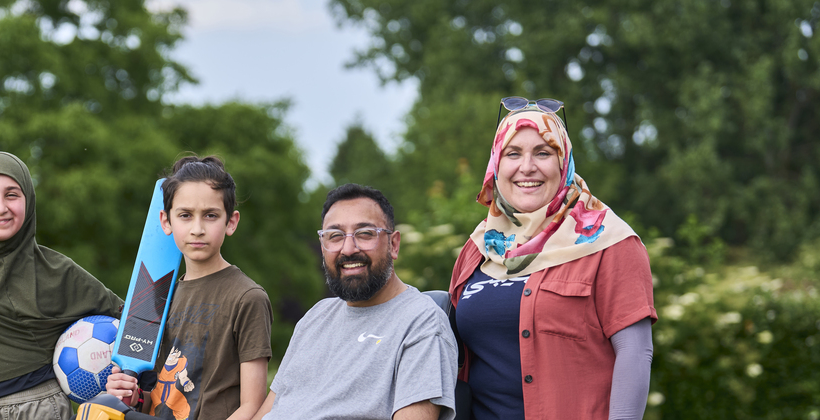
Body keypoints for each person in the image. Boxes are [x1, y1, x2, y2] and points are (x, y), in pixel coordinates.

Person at [448, 97, 656, 420]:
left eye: (543, 153)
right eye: (512, 153)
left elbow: (635, 353)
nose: (526, 167)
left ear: (564, 163)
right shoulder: (478, 247)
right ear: (496, 166)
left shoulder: (609, 241)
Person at [0, 152, 124, 420]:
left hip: (46, 410)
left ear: (28, 201)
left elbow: (131, 319)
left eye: (12, 194)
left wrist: (132, 382)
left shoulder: (59, 272)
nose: (0, 207)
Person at [254, 183, 458, 420]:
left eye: (365, 233)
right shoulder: (315, 317)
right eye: (335, 236)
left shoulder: (421, 323)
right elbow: (269, 411)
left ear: (393, 244)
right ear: (323, 247)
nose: (348, 249)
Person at [103, 155, 273, 420]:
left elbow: (254, 406)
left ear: (231, 221)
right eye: (185, 215)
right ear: (166, 221)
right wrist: (133, 398)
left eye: (210, 216)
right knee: (99, 408)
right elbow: (161, 398)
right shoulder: (155, 298)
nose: (197, 229)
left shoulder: (247, 298)